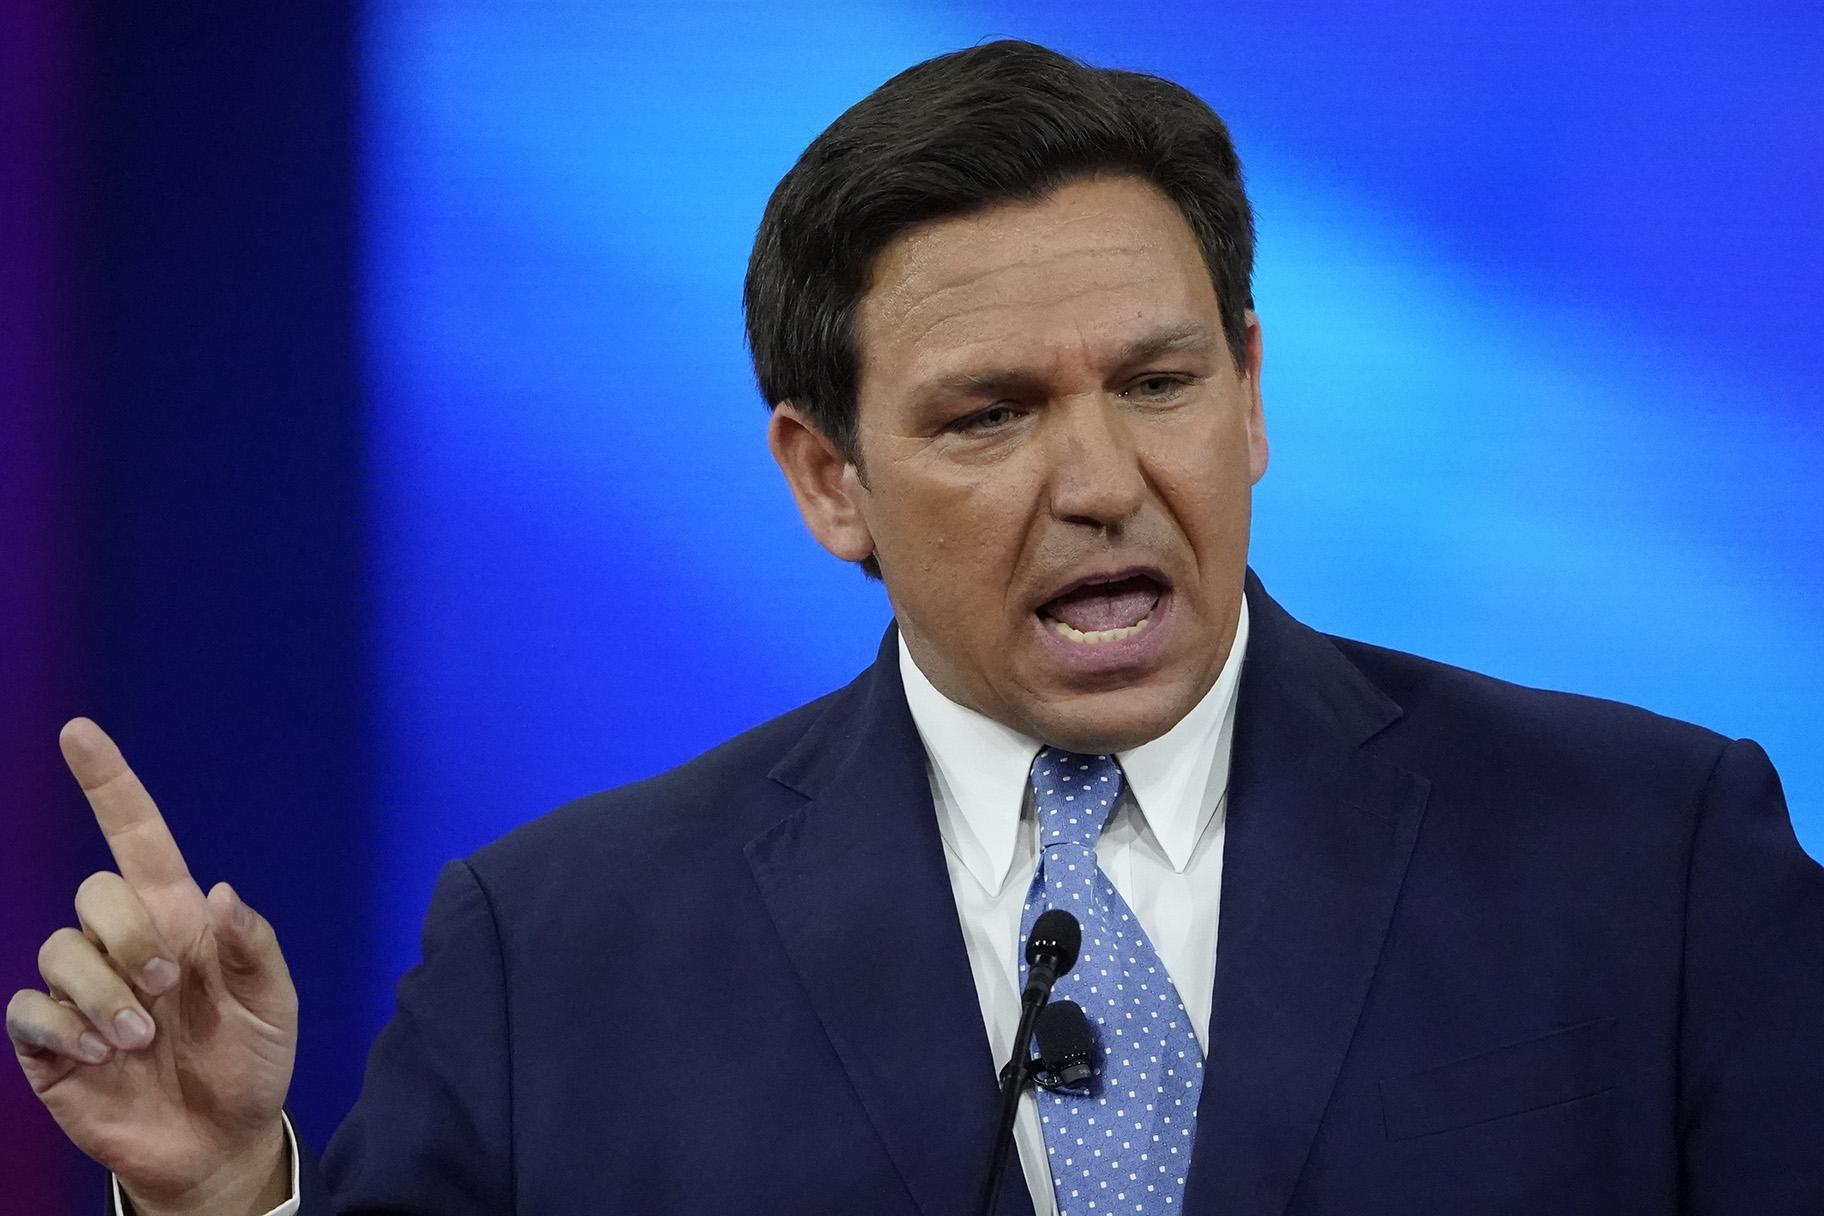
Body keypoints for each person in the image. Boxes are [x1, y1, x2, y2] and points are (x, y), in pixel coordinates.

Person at [10, 38, 1823, 1216]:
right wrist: (218, 1192)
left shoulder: (1648, 855)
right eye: (990, 415)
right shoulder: (557, 952)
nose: (1105, 477)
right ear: (827, 482)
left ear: (1253, 395)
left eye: (1162, 381)